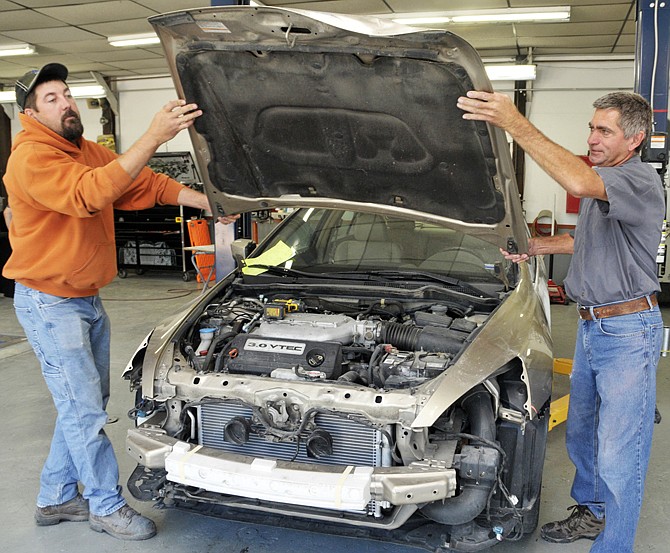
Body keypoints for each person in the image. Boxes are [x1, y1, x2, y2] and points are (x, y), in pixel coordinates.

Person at [2, 63, 237, 541]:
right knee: (83, 409)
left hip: (84, 297)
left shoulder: (80, 149)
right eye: (51, 98)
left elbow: (143, 184)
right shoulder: (30, 158)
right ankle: (104, 505)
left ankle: (54, 497)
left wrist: (207, 202)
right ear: (29, 113)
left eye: (67, 94)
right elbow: (90, 194)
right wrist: (153, 133)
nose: (66, 102)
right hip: (49, 302)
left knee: (83, 404)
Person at [457, 89, 664, 552]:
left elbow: (574, 182)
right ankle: (592, 513)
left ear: (634, 140)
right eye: (591, 127)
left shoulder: (636, 180)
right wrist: (537, 247)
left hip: (629, 332)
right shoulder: (605, 178)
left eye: (604, 130)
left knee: (619, 453)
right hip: (594, 327)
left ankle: (614, 546)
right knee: (584, 434)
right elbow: (588, 242)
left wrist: (513, 122)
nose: (591, 137)